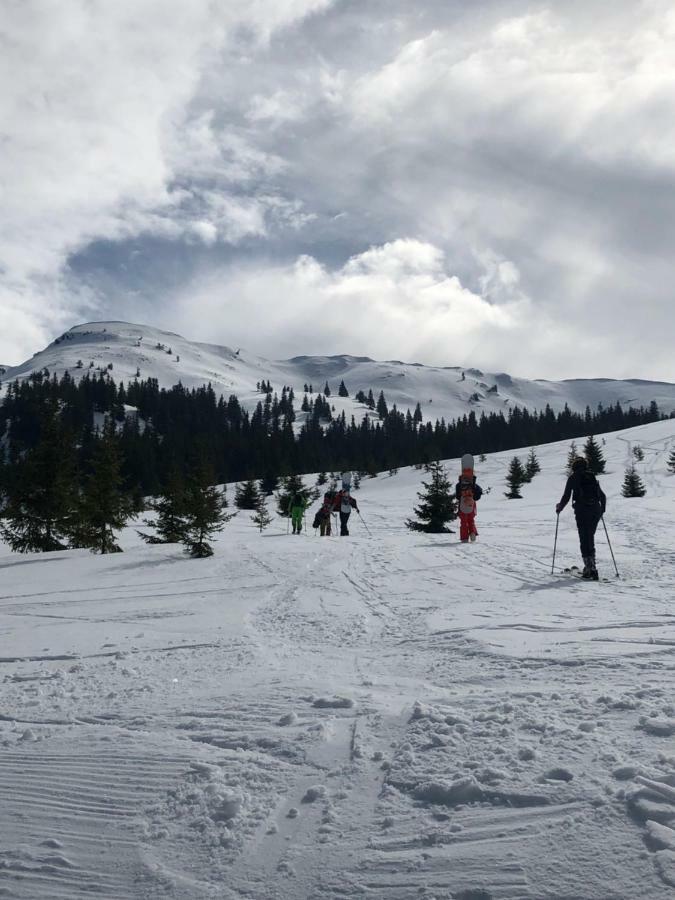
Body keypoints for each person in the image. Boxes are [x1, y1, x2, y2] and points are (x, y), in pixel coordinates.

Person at [556, 457, 606, 580]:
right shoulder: (591, 476)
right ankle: (592, 567)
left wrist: (559, 508)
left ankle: (589, 568)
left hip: (582, 511)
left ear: (574, 467)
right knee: (590, 537)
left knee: (584, 538)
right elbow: (602, 496)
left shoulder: (573, 478)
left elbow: (566, 496)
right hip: (595, 510)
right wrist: (601, 510)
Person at [455, 474, 483, 542]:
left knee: (463, 521)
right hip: (472, 505)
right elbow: (477, 497)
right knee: (471, 520)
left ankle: (464, 538)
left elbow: (458, 497)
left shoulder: (458, 485)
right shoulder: (474, 485)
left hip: (462, 504)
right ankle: (472, 533)